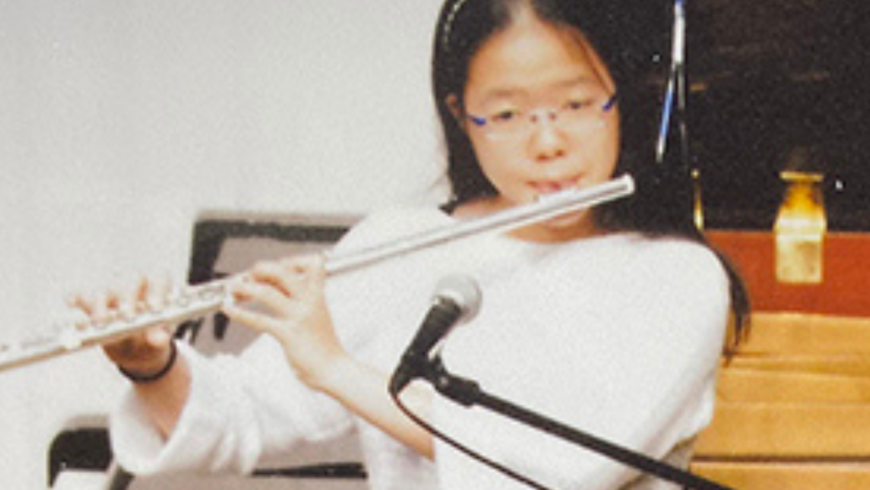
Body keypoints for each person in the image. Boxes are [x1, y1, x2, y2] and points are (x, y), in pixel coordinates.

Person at [73, 0, 749, 489]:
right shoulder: (403, 245)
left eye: (576, 104)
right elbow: (238, 423)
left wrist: (335, 366)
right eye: (507, 114)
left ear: (621, 98)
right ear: (462, 115)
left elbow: (564, 471)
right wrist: (152, 366)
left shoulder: (676, 277)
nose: (548, 143)